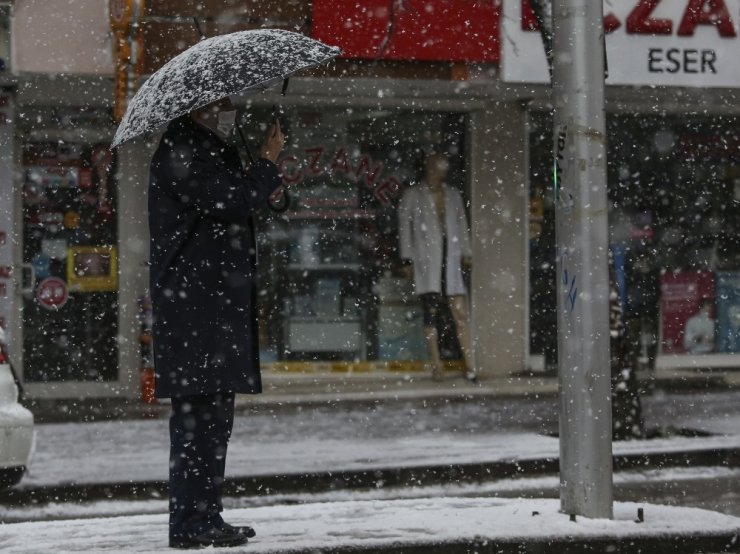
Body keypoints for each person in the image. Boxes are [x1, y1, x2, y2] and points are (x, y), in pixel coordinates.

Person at [149, 97, 284, 549]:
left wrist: (264, 176)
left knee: (212, 421)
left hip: (208, 307)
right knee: (197, 423)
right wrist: (266, 164)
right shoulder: (182, 149)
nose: (231, 107)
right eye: (222, 101)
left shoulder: (205, 146)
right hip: (194, 311)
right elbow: (230, 200)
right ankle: (190, 522)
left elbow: (239, 199)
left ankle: (206, 516)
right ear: (199, 104)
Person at [397, 150, 477, 382]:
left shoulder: (453, 195)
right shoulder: (413, 195)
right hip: (427, 259)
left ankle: (471, 365)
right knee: (430, 313)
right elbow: (405, 227)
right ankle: (436, 364)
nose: (436, 171)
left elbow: (461, 223)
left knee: (460, 312)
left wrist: (466, 252)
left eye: (440, 167)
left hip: (449, 259)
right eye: (433, 166)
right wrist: (407, 259)